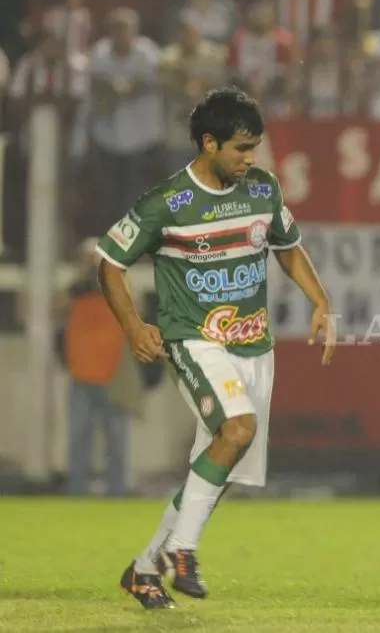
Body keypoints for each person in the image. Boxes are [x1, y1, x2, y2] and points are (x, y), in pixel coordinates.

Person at [96, 87, 336, 609]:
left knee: (221, 465)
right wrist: (135, 326)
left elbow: (289, 249)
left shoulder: (263, 190)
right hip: (195, 338)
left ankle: (143, 570)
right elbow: (109, 263)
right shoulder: (167, 204)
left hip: (255, 345)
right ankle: (182, 550)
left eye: (254, 148)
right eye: (241, 149)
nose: (251, 159)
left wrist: (320, 301)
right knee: (238, 429)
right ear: (208, 143)